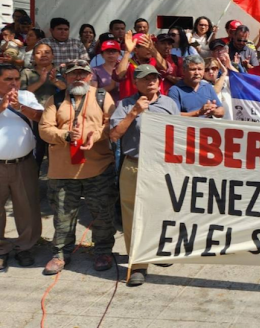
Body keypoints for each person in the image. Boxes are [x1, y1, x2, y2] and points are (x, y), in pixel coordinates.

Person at [39, 60, 117, 275]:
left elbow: (111, 123)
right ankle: (60, 254)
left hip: (98, 167)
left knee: (102, 213)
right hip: (63, 170)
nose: (78, 78)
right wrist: (64, 135)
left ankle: (103, 251)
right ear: (66, 77)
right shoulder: (55, 100)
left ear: (90, 76)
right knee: (63, 214)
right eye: (73, 74)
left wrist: (96, 136)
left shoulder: (101, 96)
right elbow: (44, 128)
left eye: (83, 73)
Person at [110, 64, 179, 286]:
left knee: (161, 211)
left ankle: (158, 251)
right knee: (133, 217)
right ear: (136, 83)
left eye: (154, 78)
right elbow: (114, 135)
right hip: (135, 165)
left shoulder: (169, 104)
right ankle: (138, 264)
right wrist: (134, 112)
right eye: (145, 78)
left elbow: (179, 133)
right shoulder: (125, 104)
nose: (151, 81)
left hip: (162, 167)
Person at [0, 64, 44, 271]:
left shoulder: (26, 96)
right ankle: (1, 249)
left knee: (27, 207)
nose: (14, 83)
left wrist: (20, 107)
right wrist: (3, 106)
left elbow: (42, 118)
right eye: (8, 79)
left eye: (16, 78)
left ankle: (25, 247)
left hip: (23, 164)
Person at [116, 32, 167, 100]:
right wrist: (127, 52)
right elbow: (118, 75)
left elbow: (165, 68)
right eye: (145, 46)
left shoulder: (155, 61)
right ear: (135, 49)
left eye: (151, 45)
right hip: (131, 103)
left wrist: (153, 50)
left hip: (156, 103)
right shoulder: (126, 62)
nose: (149, 48)